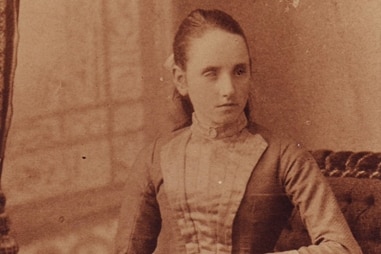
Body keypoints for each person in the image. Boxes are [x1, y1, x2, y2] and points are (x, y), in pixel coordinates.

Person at [114, 9, 362, 254]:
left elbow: (343, 248)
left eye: (239, 71)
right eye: (211, 74)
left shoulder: (283, 156)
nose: (229, 89)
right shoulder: (155, 157)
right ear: (181, 80)